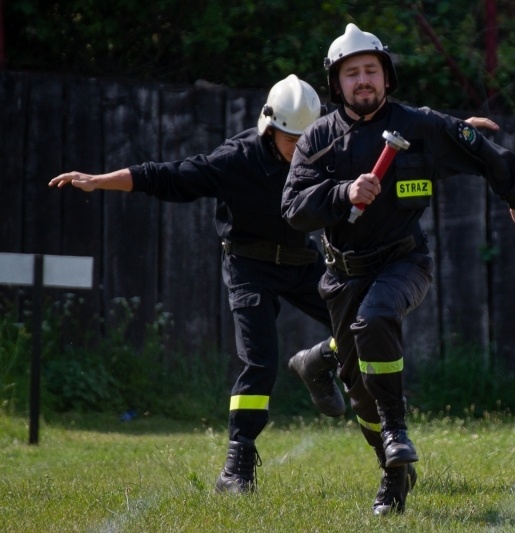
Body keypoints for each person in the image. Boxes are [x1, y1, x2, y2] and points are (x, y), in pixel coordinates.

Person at [281, 24, 515, 516]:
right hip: (341, 275)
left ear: (386, 77)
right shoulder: (317, 139)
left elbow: (481, 149)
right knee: (360, 394)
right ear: (337, 85)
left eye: (371, 71)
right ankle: (393, 472)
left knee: (376, 317)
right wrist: (342, 193)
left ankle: (397, 430)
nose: (363, 81)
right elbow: (293, 209)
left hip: (404, 260)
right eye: (351, 73)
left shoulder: (420, 126)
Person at [49, 74, 347, 494]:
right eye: (291, 140)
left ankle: (317, 362)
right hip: (250, 266)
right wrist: (100, 180)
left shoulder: (326, 151)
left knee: (361, 322)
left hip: (303, 261)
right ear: (270, 128)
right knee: (260, 363)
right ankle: (237, 467)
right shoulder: (236, 160)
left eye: (307, 139)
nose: (301, 150)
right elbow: (169, 176)